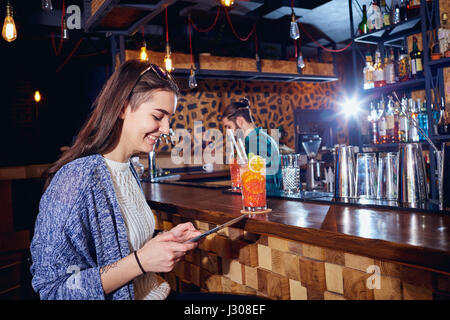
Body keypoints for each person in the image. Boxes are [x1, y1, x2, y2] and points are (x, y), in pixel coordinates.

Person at [30, 60, 203, 300]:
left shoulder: (128, 169)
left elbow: (121, 248)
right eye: (158, 116)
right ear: (122, 108)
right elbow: (55, 290)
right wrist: (142, 261)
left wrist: (162, 242)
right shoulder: (76, 179)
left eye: (169, 118)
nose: (166, 128)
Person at [221, 98, 282, 192]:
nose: (228, 133)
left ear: (240, 121)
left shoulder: (257, 142)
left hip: (268, 203)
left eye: (229, 127)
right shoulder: (259, 138)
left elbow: (265, 186)